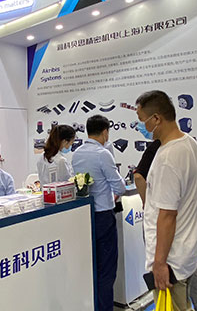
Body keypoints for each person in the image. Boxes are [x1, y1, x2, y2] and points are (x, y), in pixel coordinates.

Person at [136, 90, 197, 310]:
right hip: (186, 254)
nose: (141, 127)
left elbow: (167, 216)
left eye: (142, 121)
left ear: (156, 118)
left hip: (170, 263)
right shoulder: (189, 143)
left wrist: (159, 263)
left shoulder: (168, 158)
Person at [72, 115, 126, 311]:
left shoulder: (77, 153)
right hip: (103, 215)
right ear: (105, 132)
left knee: (91, 267)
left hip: (85, 216)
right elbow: (120, 187)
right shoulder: (103, 154)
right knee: (106, 271)